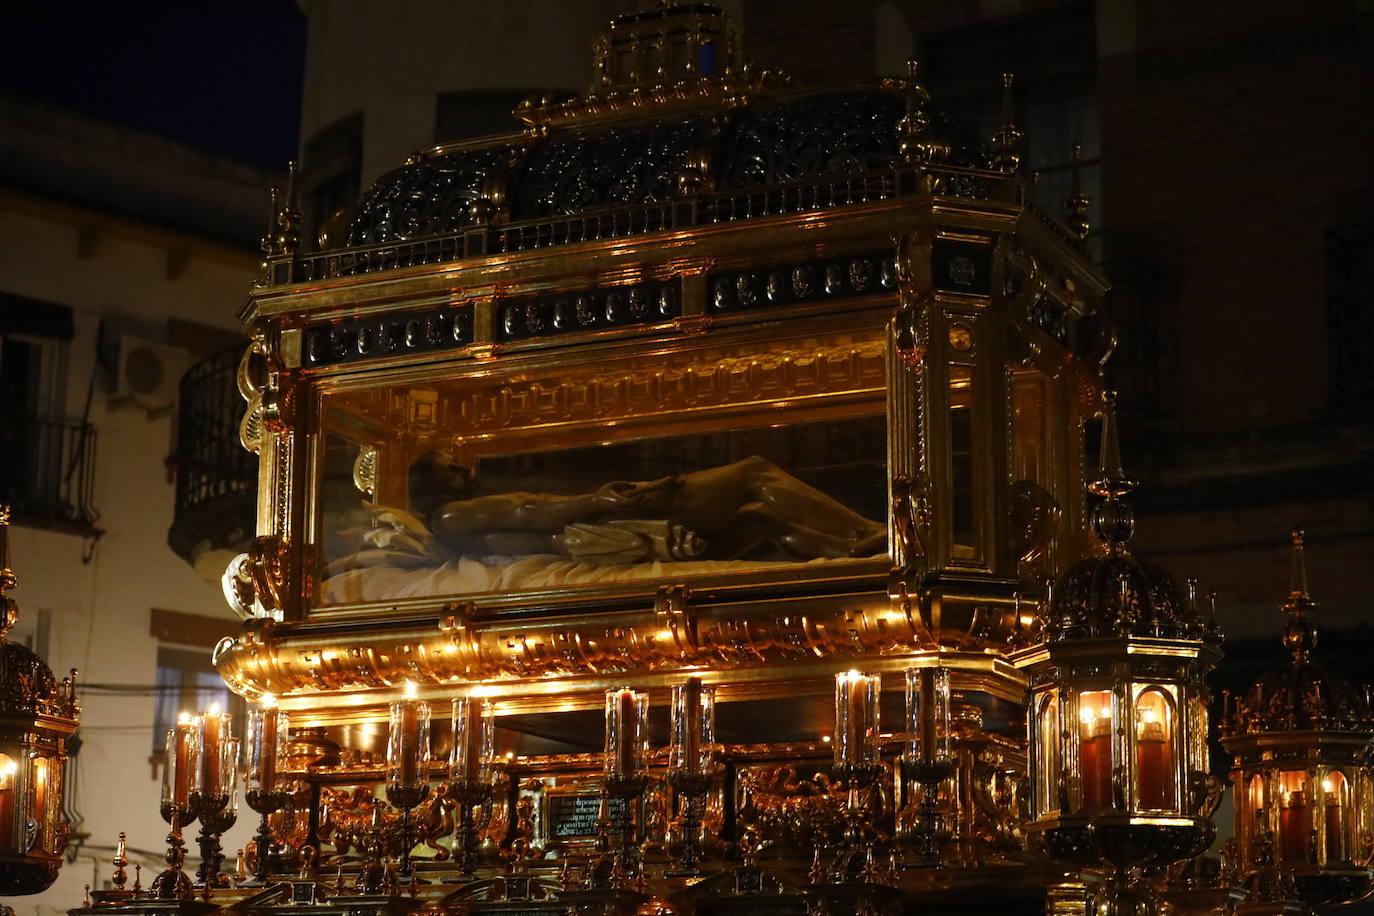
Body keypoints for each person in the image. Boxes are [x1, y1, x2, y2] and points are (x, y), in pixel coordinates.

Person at [408, 451, 886, 563]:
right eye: (453, 471)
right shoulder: (451, 516)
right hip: (613, 521)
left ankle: (850, 557)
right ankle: (861, 533)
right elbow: (528, 515)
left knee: (757, 518)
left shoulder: (464, 512)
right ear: (431, 485)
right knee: (753, 474)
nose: (468, 473)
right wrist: (598, 498)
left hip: (607, 514)